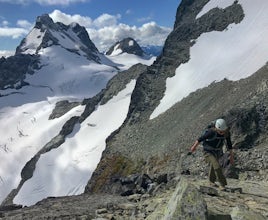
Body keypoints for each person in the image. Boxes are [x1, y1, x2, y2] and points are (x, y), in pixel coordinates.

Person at [190, 118, 234, 191]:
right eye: (220, 132)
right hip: (207, 151)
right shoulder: (211, 132)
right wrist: (193, 147)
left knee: (214, 166)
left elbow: (229, 145)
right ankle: (222, 184)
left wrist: (231, 157)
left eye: (223, 131)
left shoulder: (226, 133)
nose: (222, 133)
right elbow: (200, 139)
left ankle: (211, 181)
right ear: (216, 128)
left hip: (217, 151)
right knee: (216, 165)